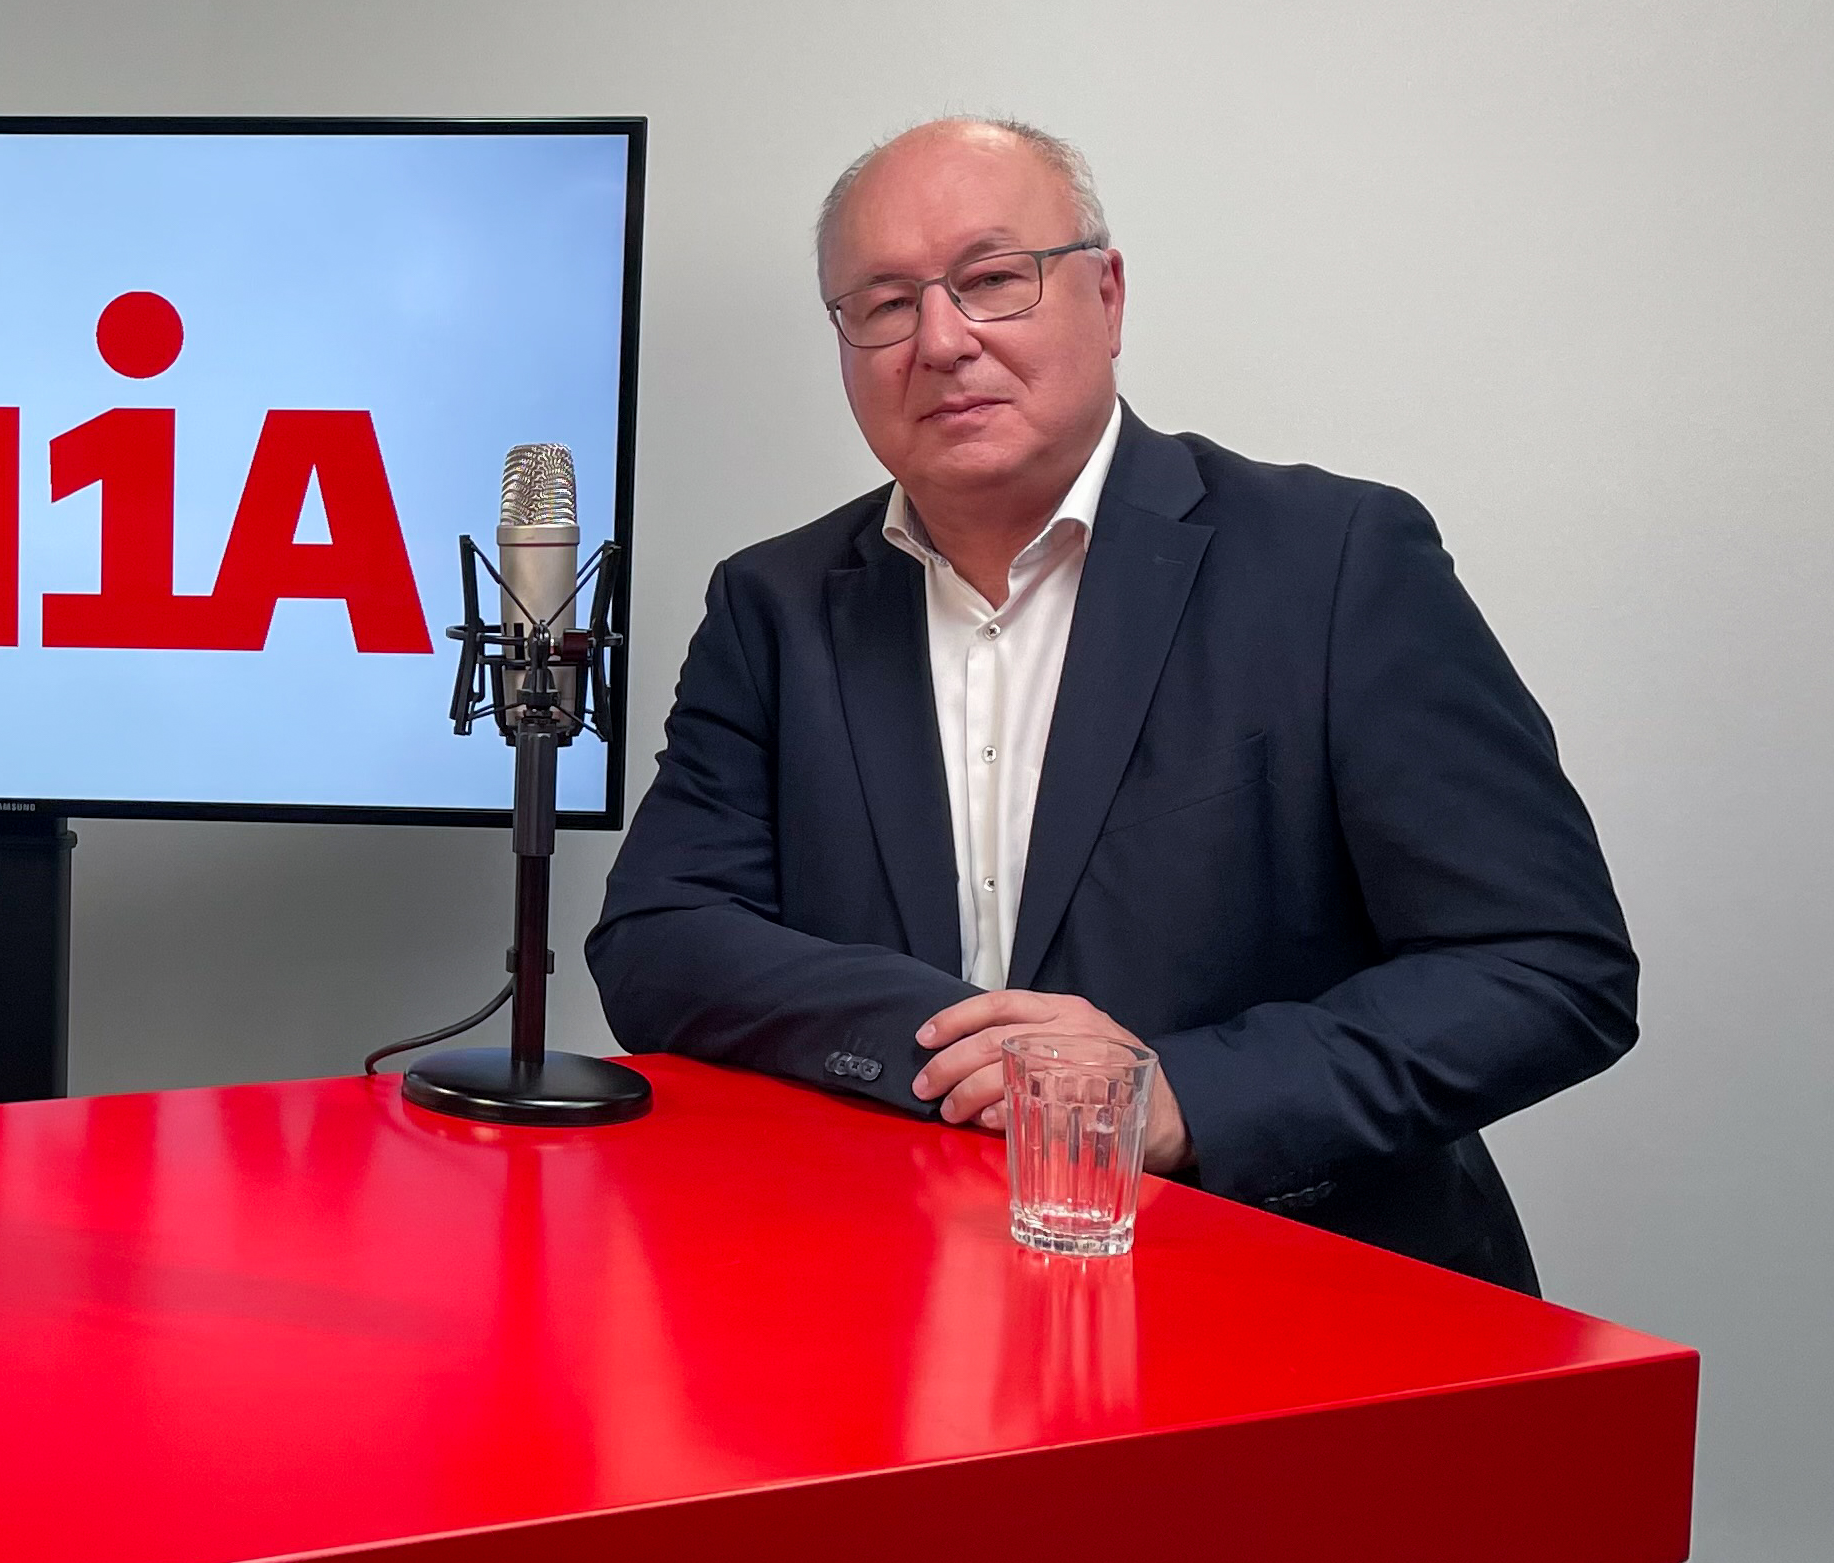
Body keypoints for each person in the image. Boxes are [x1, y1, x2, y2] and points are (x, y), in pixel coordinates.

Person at [587, 118, 1633, 1291]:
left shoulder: (1336, 560)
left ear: (1109, 294)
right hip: (899, 1297)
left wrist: (1178, 1093)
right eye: (883, 303)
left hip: (1303, 1306)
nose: (941, 340)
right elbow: (660, 941)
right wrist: (976, 1052)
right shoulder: (772, 603)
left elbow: (1546, 965)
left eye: (993, 280)